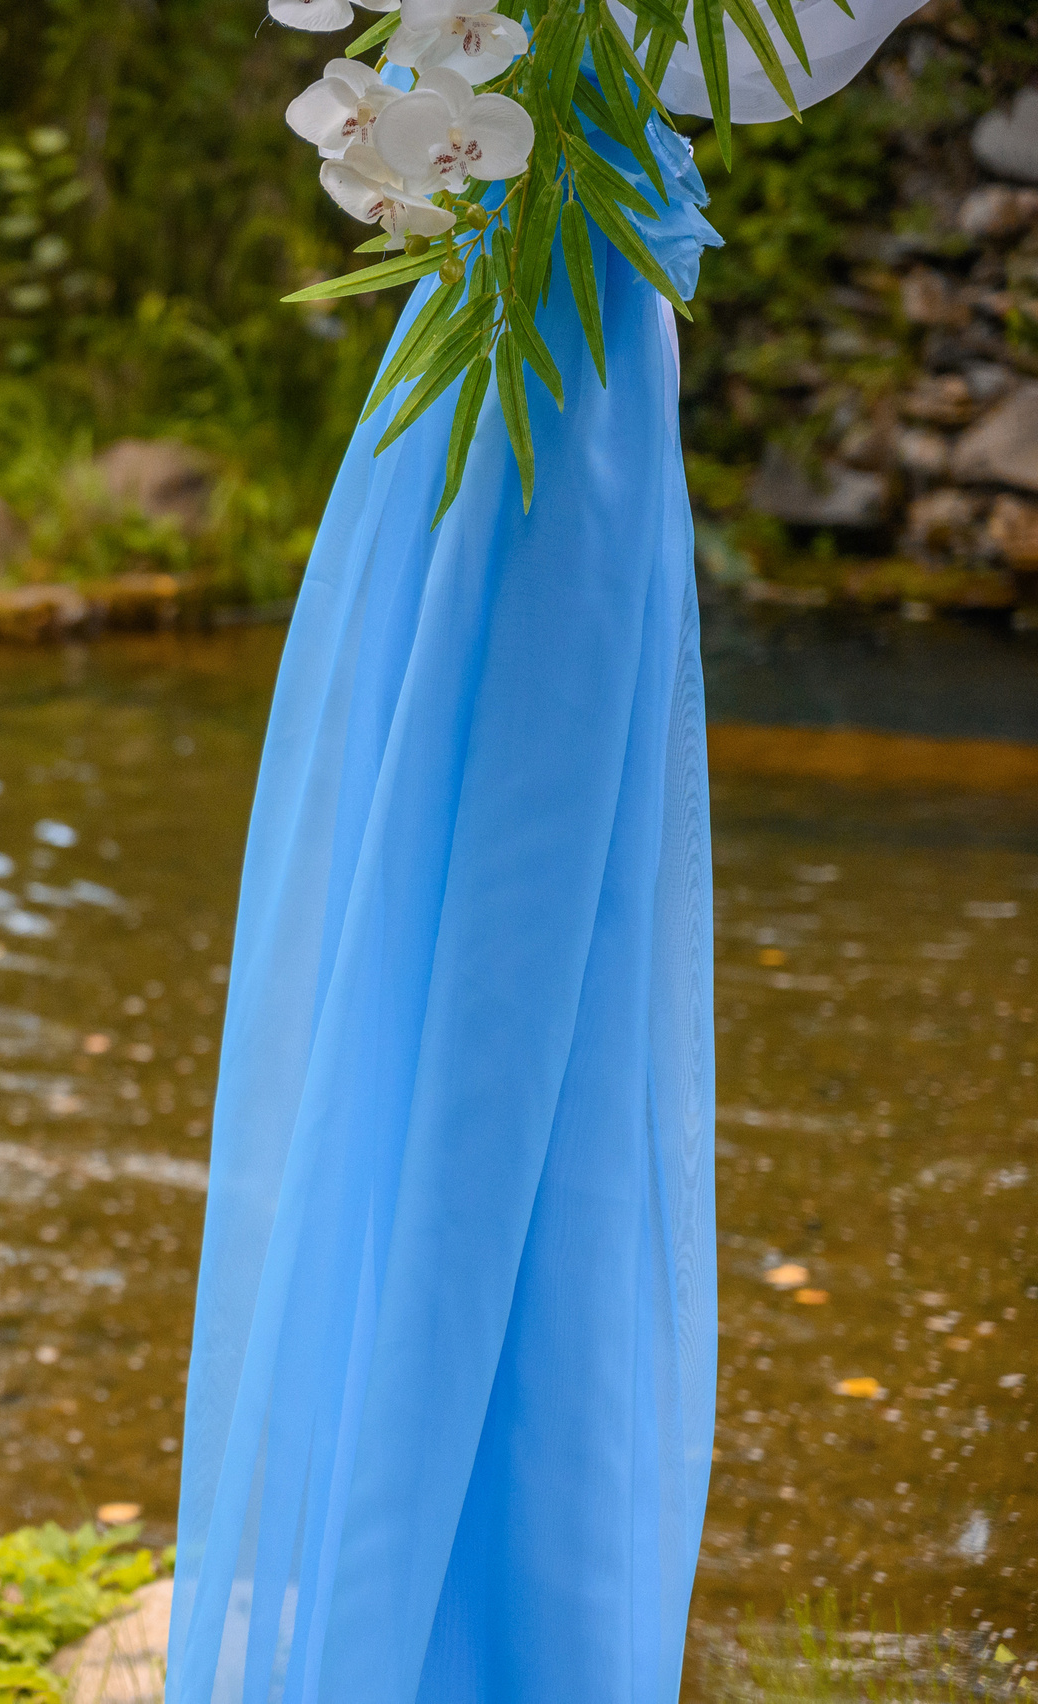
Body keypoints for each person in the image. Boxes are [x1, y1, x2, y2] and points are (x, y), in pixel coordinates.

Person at [165, 7, 919, 1701]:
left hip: (542, 345)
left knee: (507, 968)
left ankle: (453, 1606)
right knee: (497, 966)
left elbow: (776, 53)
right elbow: (783, 54)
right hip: (518, 348)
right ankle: (446, 1620)